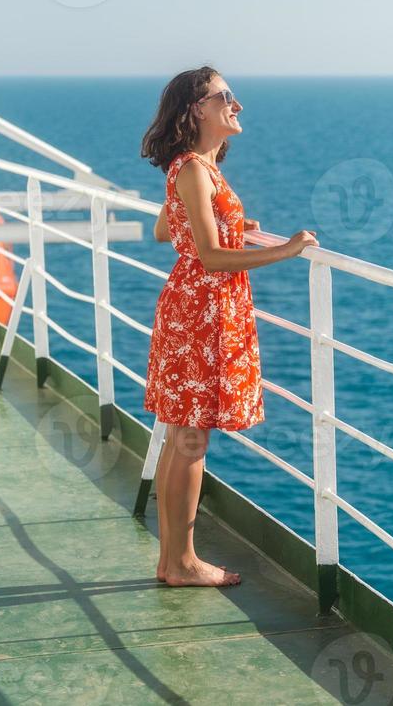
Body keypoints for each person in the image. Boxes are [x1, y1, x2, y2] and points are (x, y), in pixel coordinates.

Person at [140, 65, 319, 587]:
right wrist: (285, 250)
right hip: (202, 312)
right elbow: (213, 258)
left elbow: (161, 229)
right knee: (190, 443)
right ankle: (183, 563)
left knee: (182, 440)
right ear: (197, 108)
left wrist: (231, 222)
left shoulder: (196, 168)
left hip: (193, 309)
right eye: (226, 96)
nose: (236, 105)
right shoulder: (195, 169)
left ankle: (172, 561)